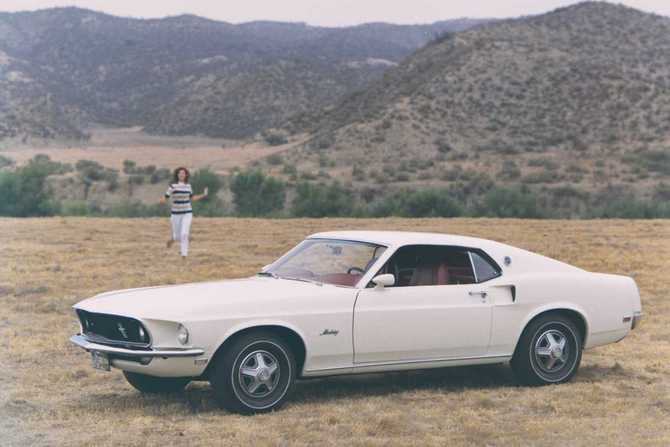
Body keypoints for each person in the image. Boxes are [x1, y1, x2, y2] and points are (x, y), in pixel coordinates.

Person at [159, 167, 208, 258]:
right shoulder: (172, 187)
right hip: (175, 214)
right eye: (180, 173)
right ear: (177, 175)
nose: (182, 174)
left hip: (187, 213)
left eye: (183, 173)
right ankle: (172, 239)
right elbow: (165, 198)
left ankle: (184, 255)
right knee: (178, 237)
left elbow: (192, 198)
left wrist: (203, 195)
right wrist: (161, 201)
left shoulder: (188, 186)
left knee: (184, 234)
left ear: (186, 175)